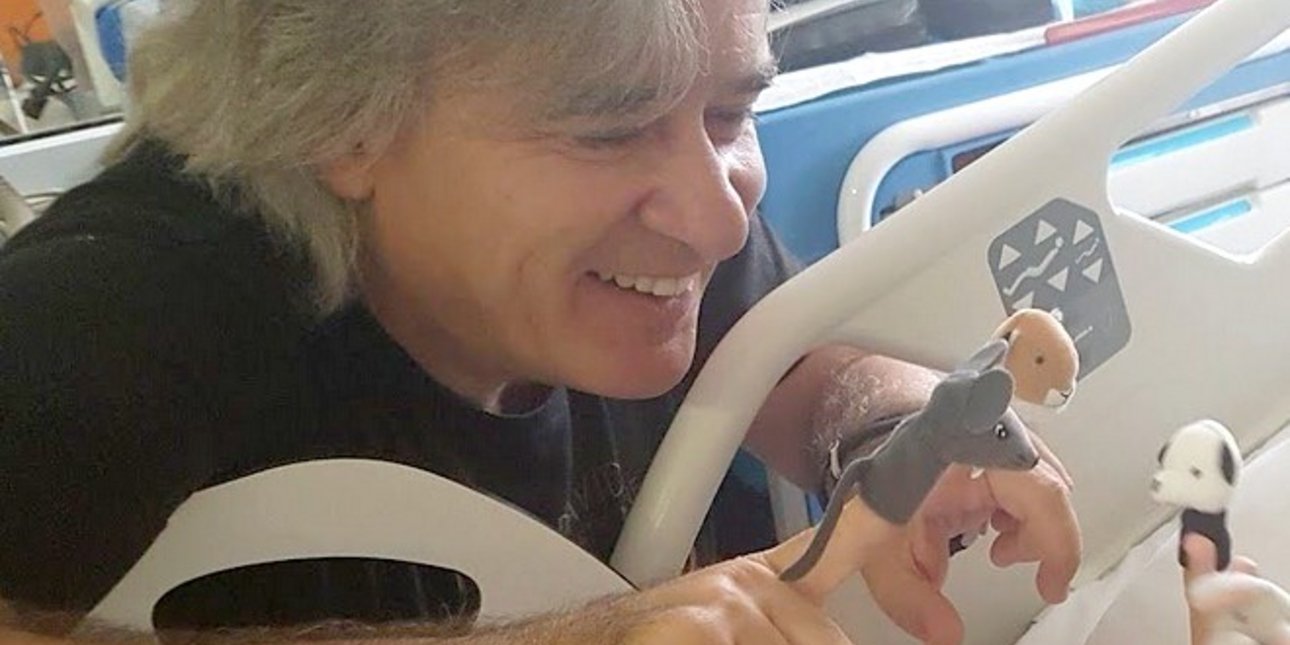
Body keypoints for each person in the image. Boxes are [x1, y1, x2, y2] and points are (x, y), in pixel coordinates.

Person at [0, 0, 1080, 643]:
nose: (715, 219)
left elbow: (787, 365)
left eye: (729, 113)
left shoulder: (668, 221)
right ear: (344, 122)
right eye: (607, 132)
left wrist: (895, 433)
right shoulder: (128, 302)